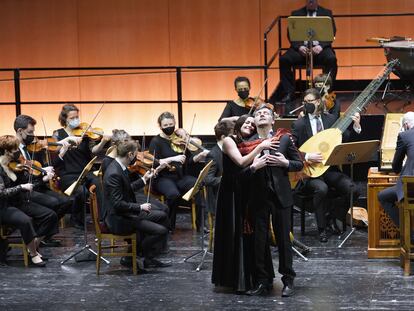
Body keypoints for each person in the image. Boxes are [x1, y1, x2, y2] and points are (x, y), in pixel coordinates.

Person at [239, 105, 303, 297]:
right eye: (258, 114)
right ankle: (263, 281)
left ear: (273, 120)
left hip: (280, 195)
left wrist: (285, 163)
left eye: (265, 113)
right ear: (255, 121)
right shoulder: (247, 143)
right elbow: (241, 174)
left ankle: (288, 280)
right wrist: (254, 166)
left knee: (284, 240)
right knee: (260, 241)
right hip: (258, 197)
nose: (261, 115)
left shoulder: (283, 138)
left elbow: (299, 163)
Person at [212, 114, 277, 293]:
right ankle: (237, 280)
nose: (250, 124)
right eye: (246, 122)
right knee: (236, 235)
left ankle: (257, 278)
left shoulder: (251, 141)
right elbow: (241, 163)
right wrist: (260, 149)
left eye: (252, 123)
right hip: (232, 193)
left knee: (252, 237)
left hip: (247, 193)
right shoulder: (229, 140)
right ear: (238, 125)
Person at [291, 88, 361, 242]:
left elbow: (345, 140)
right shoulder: (299, 124)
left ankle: (332, 215)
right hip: (309, 171)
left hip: (329, 169)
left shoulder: (330, 120)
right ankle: (322, 228)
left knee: (353, 190)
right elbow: (291, 149)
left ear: (318, 102)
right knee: (322, 189)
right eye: (305, 102)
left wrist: (356, 126)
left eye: (310, 101)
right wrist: (307, 156)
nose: (306, 104)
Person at [103, 139, 170, 269]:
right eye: (136, 154)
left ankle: (147, 257)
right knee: (161, 231)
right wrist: (140, 207)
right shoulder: (114, 173)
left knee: (162, 216)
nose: (137, 156)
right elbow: (117, 204)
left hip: (126, 214)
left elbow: (127, 189)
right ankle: (136, 255)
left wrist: (144, 179)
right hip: (119, 219)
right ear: (130, 154)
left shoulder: (119, 167)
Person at [13, 115, 73, 245]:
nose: (33, 135)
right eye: (30, 132)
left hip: (39, 186)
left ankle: (44, 234)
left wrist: (46, 171)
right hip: (26, 191)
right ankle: (39, 235)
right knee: (53, 204)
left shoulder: (33, 148)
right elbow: (19, 179)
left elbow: (39, 168)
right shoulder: (13, 151)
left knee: (67, 202)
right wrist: (43, 176)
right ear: (19, 131)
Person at [0, 135, 59, 266]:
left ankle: (33, 245)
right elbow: (2, 193)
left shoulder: (16, 165)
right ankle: (33, 254)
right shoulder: (0, 168)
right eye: (14, 149)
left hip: (19, 202)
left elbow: (28, 182)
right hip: (4, 206)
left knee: (50, 216)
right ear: (6, 151)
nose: (18, 151)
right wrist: (20, 187)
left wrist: (42, 177)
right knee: (26, 220)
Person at [148, 112, 208, 229]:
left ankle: (201, 225)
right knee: (173, 194)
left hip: (179, 177)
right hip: (162, 178)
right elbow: (153, 162)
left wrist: (199, 156)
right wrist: (172, 158)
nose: (169, 127)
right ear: (160, 126)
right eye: (165, 125)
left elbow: (188, 160)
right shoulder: (156, 141)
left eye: (171, 124)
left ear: (175, 123)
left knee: (198, 184)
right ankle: (169, 226)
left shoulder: (179, 139)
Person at [53, 104, 109, 228]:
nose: (75, 120)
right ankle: (76, 219)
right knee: (81, 191)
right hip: (67, 174)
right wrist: (69, 139)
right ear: (65, 119)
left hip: (86, 170)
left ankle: (103, 219)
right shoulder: (58, 133)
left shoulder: (85, 132)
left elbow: (94, 150)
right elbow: (55, 149)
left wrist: (103, 142)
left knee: (101, 184)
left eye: (77, 117)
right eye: (72, 118)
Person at [279, 0, 337, 103]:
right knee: (284, 59)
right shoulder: (296, 14)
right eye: (309, 1)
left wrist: (321, 46)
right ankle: (289, 92)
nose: (311, 2)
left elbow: (332, 32)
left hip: (320, 49)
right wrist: (299, 47)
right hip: (301, 49)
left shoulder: (327, 13)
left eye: (313, 1)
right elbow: (291, 34)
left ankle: (327, 92)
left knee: (331, 59)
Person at [378, 112, 414, 227]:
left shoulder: (405, 136)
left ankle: (408, 233)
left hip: (411, 189)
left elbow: (396, 167)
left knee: (382, 196)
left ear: (406, 125)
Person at [203, 120, 233, 215]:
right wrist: (225, 179)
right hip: (219, 196)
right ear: (223, 137)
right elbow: (207, 179)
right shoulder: (213, 154)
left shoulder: (231, 149)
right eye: (232, 136)